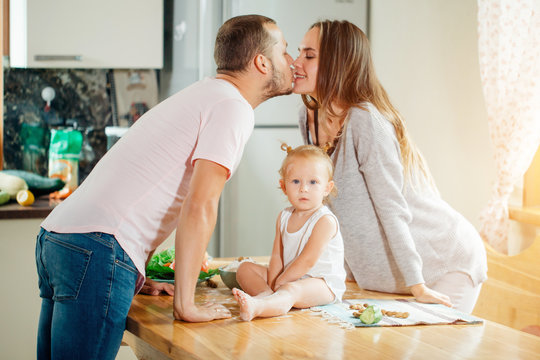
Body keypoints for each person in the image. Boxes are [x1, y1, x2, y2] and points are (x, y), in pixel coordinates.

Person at [34, 14, 294, 359]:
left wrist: (140, 269)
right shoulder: (233, 107)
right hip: (97, 247)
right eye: (285, 51)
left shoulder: (205, 93)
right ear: (262, 62)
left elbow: (150, 181)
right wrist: (185, 304)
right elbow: (200, 205)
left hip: (60, 238)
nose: (291, 61)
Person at [292, 20, 487, 313]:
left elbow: (391, 207)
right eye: (299, 53)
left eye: (309, 55)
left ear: (338, 63)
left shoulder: (364, 120)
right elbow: (324, 205)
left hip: (441, 264)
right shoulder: (309, 119)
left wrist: (418, 286)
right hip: (389, 277)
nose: (296, 63)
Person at [233, 144, 346, 321]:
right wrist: (273, 281)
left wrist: (283, 281)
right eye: (295, 181)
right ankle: (267, 295)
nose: (303, 189)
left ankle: (261, 306)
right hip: (289, 276)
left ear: (327, 188)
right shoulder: (284, 216)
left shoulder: (325, 221)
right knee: (244, 269)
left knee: (291, 289)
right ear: (284, 186)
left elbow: (307, 260)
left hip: (321, 283)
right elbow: (277, 255)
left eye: (313, 182)